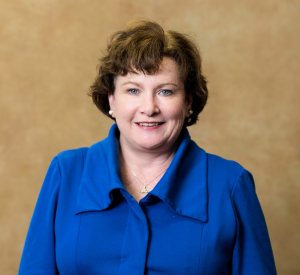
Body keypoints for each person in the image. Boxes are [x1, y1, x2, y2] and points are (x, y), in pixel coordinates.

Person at [19, 19, 277, 275]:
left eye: (165, 91)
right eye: (133, 91)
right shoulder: (66, 173)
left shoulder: (230, 184)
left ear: (188, 101)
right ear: (112, 99)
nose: (149, 108)